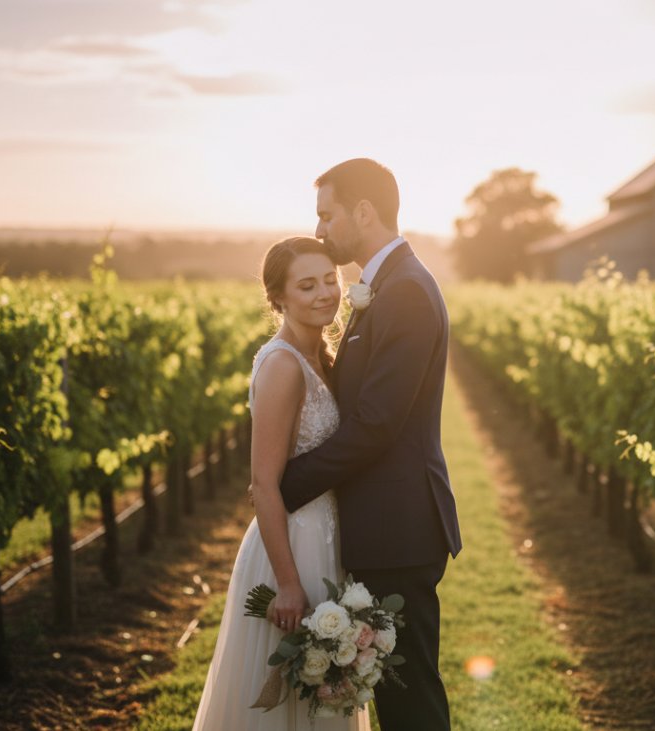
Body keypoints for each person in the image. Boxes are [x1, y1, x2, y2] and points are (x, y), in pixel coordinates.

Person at [278, 158, 463, 730]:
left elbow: (378, 423)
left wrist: (290, 483)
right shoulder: (385, 285)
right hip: (386, 524)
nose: (319, 230)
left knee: (410, 698)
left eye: (326, 215)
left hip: (399, 529)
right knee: (395, 692)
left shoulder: (405, 290)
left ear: (363, 211)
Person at [193, 236, 370, 730]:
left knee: (323, 699)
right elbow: (264, 484)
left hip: (327, 539)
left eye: (330, 280)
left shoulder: (322, 358)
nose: (325, 294)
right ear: (278, 299)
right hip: (292, 549)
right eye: (307, 285)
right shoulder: (283, 366)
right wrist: (289, 584)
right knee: (290, 703)